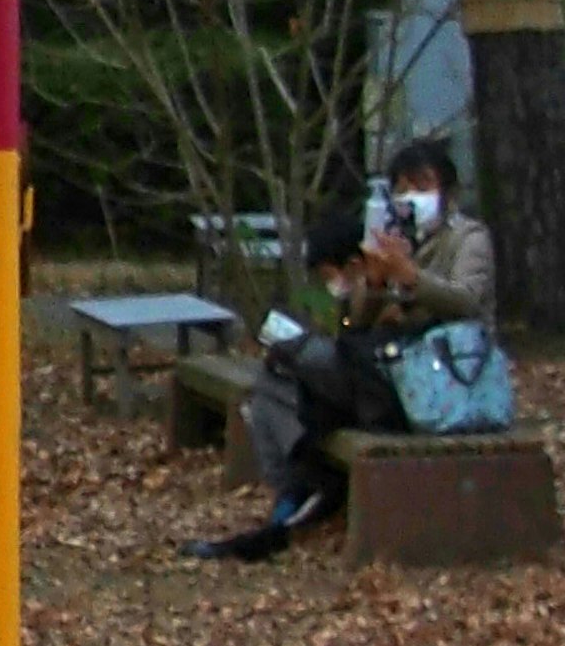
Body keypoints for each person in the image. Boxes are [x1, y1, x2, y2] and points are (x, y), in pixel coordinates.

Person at [195, 139, 500, 562]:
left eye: (423, 184)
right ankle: (296, 490)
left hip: (442, 381)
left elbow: (468, 301)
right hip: (384, 368)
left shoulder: (469, 238)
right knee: (272, 380)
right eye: (404, 186)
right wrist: (373, 284)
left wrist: (412, 280)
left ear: (447, 190)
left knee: (301, 358)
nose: (412, 195)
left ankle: (308, 493)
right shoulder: (393, 237)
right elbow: (353, 324)